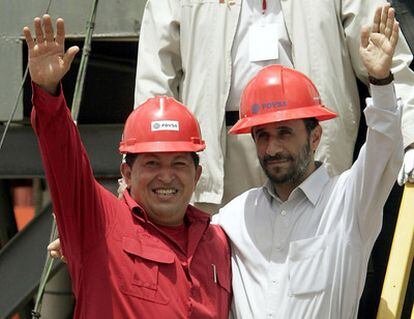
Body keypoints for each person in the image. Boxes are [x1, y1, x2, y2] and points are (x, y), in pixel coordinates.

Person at [24, 15, 231, 318]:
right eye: (152, 163)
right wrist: (47, 91)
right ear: (127, 173)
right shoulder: (99, 225)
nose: (166, 175)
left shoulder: (219, 244)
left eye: (178, 162)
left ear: (197, 174)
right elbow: (65, 163)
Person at [213, 5, 404, 318]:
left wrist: (381, 82)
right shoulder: (234, 217)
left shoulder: (349, 203)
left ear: (315, 136)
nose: (272, 148)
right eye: (262, 135)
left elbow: (384, 145)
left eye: (284, 132)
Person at [135, 0, 414, 212]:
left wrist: (411, 138)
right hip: (221, 151)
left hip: (311, 146)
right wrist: (141, 162)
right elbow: (155, 78)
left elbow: (386, 57)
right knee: (224, 267)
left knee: (315, 267)